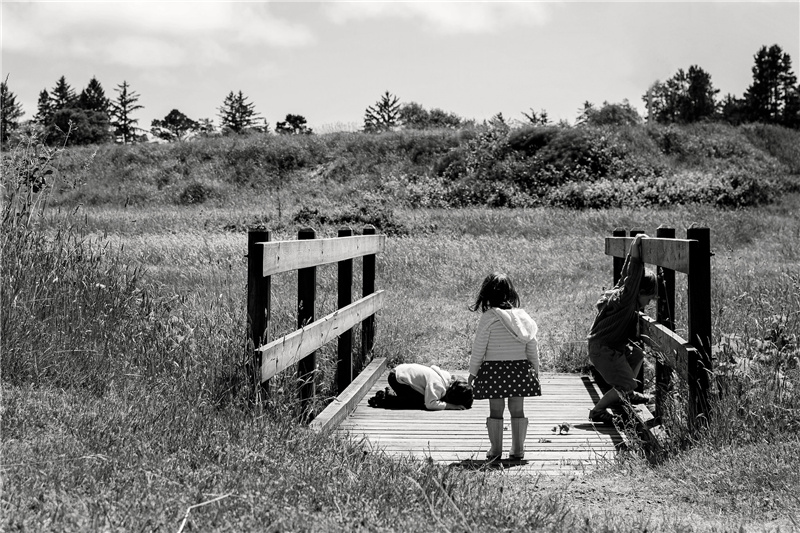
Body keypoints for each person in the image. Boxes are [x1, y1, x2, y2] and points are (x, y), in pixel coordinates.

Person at [468, 272, 541, 461]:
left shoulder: (489, 317)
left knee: (496, 410)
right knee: (517, 410)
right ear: (511, 293)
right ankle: (518, 449)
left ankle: (495, 450)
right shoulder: (522, 318)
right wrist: (535, 369)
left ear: (486, 295)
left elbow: (479, 348)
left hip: (494, 371)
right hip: (519, 370)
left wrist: (473, 372)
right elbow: (531, 345)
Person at [587, 233, 657, 425]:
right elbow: (633, 277)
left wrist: (631, 254)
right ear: (639, 292)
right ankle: (598, 410)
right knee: (625, 383)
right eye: (649, 298)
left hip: (607, 347)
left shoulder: (621, 292)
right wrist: (635, 252)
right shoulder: (627, 300)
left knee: (636, 355)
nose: (649, 303)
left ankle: (628, 392)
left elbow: (626, 276)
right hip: (604, 350)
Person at [368, 363, 473, 411]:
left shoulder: (443, 377)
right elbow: (430, 404)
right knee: (419, 402)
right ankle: (386, 399)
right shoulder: (438, 384)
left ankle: (391, 394)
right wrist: (451, 406)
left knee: (421, 397)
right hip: (397, 379)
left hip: (399, 373)